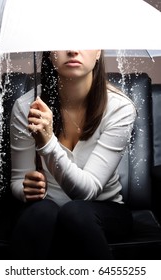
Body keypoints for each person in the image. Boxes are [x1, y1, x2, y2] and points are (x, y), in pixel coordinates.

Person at [10, 50, 136, 260]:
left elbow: (88, 192)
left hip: (102, 209)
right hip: (45, 209)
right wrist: (26, 189)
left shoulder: (120, 108)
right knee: (42, 213)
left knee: (75, 212)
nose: (72, 50)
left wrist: (48, 142)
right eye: (62, 40)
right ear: (49, 53)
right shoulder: (26, 107)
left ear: (98, 53)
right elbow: (17, 180)